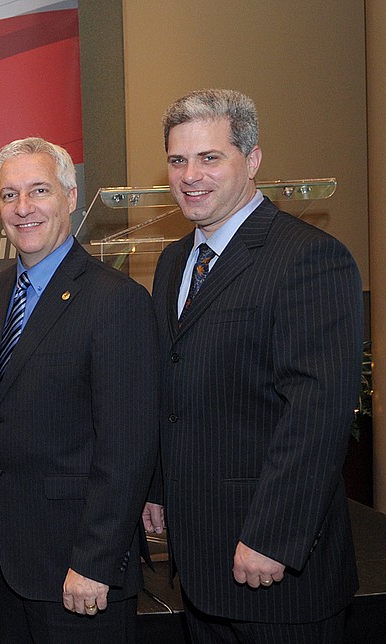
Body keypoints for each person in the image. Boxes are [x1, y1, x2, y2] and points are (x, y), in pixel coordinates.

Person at [142, 89, 363, 643]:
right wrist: (159, 487)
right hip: (199, 566)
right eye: (177, 160)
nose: (190, 175)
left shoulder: (309, 257)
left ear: (253, 160)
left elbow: (317, 413)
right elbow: (175, 388)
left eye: (209, 157)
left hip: (277, 570)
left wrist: (274, 536)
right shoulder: (173, 262)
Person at [0, 137, 158, 643]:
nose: (22, 208)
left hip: (79, 571)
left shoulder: (115, 299)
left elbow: (127, 447)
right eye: (9, 195)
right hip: (10, 567)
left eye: (39, 190)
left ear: (71, 196)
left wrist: (95, 561)